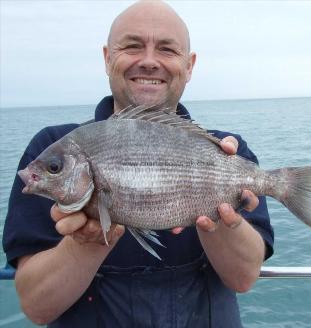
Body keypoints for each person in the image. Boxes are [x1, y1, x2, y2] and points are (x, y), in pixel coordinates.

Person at [3, 1, 274, 327]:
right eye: (132, 46)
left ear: (189, 66)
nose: (148, 61)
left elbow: (243, 279)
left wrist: (216, 220)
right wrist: (87, 244)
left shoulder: (226, 151)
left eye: (167, 49)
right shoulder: (51, 146)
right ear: (107, 58)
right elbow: (36, 308)